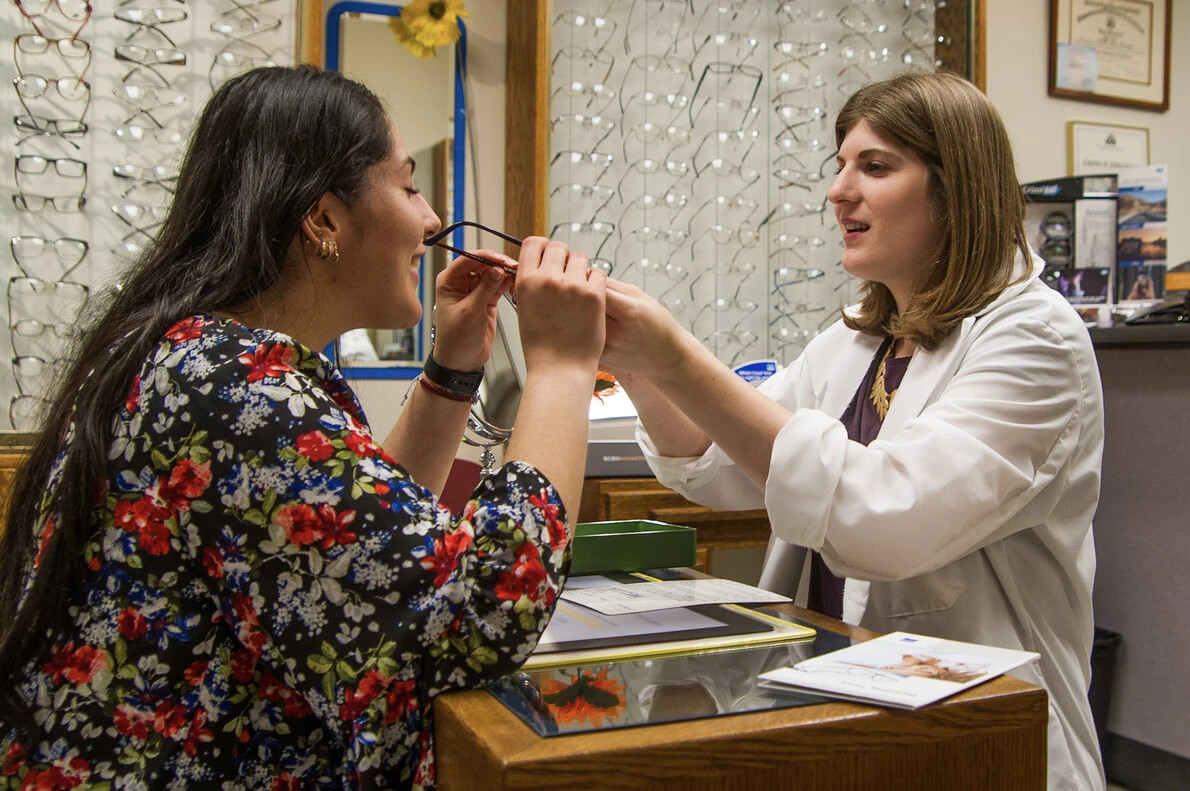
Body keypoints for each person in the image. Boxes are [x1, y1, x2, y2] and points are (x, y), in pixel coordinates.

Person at [0, 66, 606, 789]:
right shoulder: (233, 388)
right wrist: (566, 364)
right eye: (409, 186)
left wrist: (452, 370)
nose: (431, 220)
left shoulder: (201, 360)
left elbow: (359, 564)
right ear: (322, 219)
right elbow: (481, 610)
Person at [601, 72, 1105, 790]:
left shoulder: (1035, 339)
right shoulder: (857, 338)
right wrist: (636, 363)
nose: (839, 190)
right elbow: (719, 466)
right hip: (846, 716)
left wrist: (676, 352)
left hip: (986, 737)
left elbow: (883, 521)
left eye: (874, 166)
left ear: (955, 187)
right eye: (840, 165)